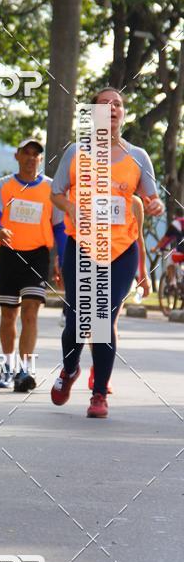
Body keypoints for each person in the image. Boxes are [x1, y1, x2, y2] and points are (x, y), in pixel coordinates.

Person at [50, 87, 163, 418]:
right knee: (75, 320)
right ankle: (70, 369)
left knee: (102, 316)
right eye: (104, 104)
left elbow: (151, 197)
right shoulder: (76, 152)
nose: (112, 108)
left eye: (118, 104)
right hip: (83, 245)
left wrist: (155, 204)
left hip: (121, 249)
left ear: (122, 114)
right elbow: (56, 193)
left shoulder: (138, 156)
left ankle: (99, 394)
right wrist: (72, 207)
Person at [0, 138, 65, 391]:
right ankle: (8, 366)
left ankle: (24, 370)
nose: (32, 158)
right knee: (9, 314)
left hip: (38, 256)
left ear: (40, 159)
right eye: (27, 153)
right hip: (10, 255)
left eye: (36, 154)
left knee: (31, 312)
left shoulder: (51, 189)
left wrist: (61, 260)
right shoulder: (4, 185)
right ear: (17, 156)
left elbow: (59, 227)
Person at [87, 195, 151, 393]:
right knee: (95, 322)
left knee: (108, 319)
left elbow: (139, 239)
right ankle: (99, 365)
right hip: (93, 263)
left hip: (123, 266)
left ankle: (102, 373)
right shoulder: (90, 196)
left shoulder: (134, 203)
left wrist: (144, 274)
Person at [151, 213, 184, 286]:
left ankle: (173, 282)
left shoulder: (176, 223)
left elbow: (165, 239)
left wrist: (156, 248)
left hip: (181, 253)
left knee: (171, 258)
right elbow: (170, 239)